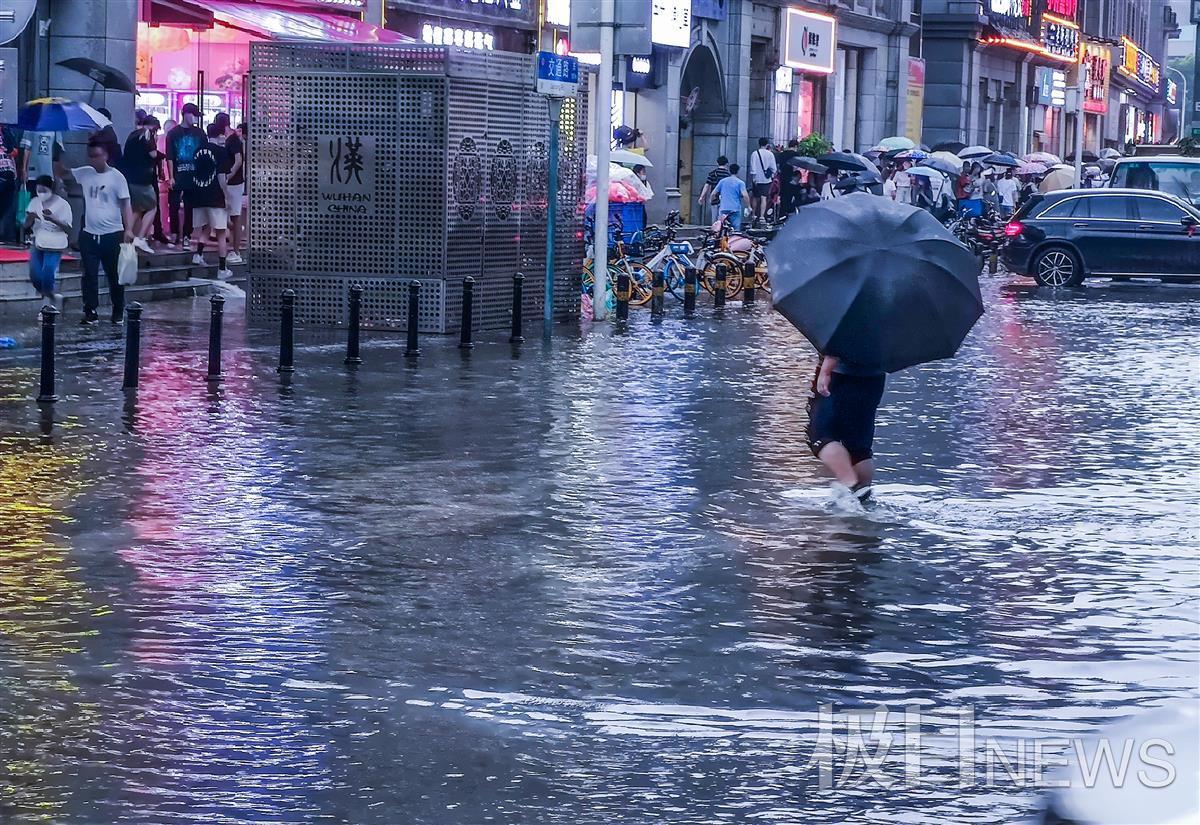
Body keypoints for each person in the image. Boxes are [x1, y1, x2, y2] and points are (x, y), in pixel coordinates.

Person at [55, 139, 134, 325]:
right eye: (90, 156)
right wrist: (56, 154)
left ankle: (118, 310)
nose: (93, 160)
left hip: (112, 233)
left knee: (114, 275)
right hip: (89, 234)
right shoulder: (86, 173)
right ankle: (90, 310)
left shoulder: (117, 177)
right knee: (89, 274)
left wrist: (129, 228)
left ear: (105, 155)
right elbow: (64, 173)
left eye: (97, 156)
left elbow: (126, 204)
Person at [806, 353, 886, 505]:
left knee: (820, 437)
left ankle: (853, 487)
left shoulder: (843, 331)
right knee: (859, 449)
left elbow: (843, 336)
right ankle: (863, 497)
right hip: (874, 376)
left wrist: (826, 370)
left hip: (839, 375)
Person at [188, 123, 232, 280]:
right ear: (220, 135)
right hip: (215, 196)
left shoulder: (197, 151)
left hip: (199, 194)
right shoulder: (221, 151)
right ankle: (222, 268)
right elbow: (221, 177)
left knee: (206, 226)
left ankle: (198, 255)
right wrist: (226, 196)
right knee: (221, 232)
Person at [22, 175, 72, 306]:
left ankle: (48, 305)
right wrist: (30, 218)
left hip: (55, 242)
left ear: (51, 189)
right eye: (39, 190)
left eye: (44, 190)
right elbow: (25, 225)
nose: (41, 193)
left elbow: (68, 228)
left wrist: (53, 219)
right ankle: (53, 296)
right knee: (35, 275)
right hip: (38, 240)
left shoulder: (63, 205)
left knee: (48, 272)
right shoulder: (34, 202)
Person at [165, 103, 206, 249]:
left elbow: (204, 155)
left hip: (194, 176)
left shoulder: (200, 133)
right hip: (178, 174)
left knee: (190, 207)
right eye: (194, 115)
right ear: (186, 114)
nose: (195, 118)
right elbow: (169, 156)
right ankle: (175, 233)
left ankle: (187, 235)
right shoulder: (173, 133)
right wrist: (171, 176)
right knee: (174, 206)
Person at [120, 116, 161, 253]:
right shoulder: (147, 134)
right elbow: (153, 154)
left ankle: (127, 237)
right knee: (152, 207)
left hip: (130, 177)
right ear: (152, 126)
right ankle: (140, 238)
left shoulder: (132, 135)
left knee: (137, 208)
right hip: (143, 178)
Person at [215, 113, 245, 263]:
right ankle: (234, 248)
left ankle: (236, 250)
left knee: (234, 215)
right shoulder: (228, 140)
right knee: (230, 215)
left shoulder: (232, 140)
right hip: (231, 182)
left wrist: (229, 176)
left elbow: (239, 160)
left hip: (234, 183)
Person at [19, 130, 61, 195]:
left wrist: (56, 174)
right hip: (32, 171)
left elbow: (57, 153)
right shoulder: (31, 125)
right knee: (33, 200)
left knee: (45, 201)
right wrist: (24, 169)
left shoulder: (56, 127)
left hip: (48, 172)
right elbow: (27, 149)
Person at [712, 162, 750, 231]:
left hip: (723, 209)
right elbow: (745, 195)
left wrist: (713, 200)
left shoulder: (722, 181)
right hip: (735, 209)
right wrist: (748, 206)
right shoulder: (740, 182)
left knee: (720, 229)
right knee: (736, 230)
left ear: (729, 171)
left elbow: (713, 194)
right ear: (738, 171)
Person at [697, 155, 731, 225]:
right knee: (723, 219)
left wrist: (702, 197)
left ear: (717, 163)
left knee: (714, 220)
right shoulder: (728, 175)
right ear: (726, 164)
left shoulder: (713, 173)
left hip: (714, 198)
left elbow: (707, 185)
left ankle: (715, 233)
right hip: (725, 200)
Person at [749, 137, 777, 220]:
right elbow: (774, 169)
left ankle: (753, 214)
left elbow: (753, 167)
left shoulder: (754, 153)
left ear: (759, 144)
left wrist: (754, 178)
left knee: (755, 197)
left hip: (756, 179)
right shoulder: (770, 154)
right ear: (767, 144)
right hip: (766, 180)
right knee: (764, 197)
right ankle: (762, 216)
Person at [777, 138, 800, 215]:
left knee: (783, 197)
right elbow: (795, 168)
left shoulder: (782, 154)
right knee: (794, 196)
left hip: (782, 178)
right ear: (796, 146)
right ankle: (790, 211)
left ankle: (782, 213)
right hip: (792, 179)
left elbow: (779, 167)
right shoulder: (796, 155)